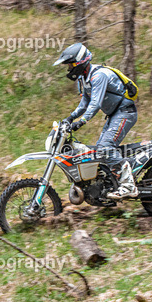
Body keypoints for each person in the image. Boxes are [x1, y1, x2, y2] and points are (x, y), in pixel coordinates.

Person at [52, 43, 138, 199]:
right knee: (100, 151)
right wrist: (70, 118)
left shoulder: (99, 76)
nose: (69, 69)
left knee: (105, 147)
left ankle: (129, 186)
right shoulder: (84, 79)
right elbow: (84, 103)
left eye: (70, 65)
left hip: (125, 112)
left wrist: (82, 121)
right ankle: (111, 183)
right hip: (114, 114)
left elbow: (95, 104)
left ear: (80, 62)